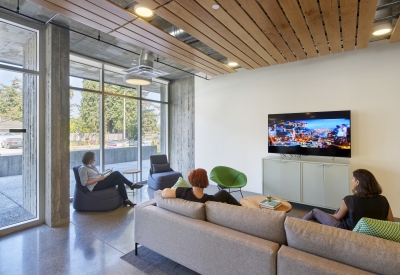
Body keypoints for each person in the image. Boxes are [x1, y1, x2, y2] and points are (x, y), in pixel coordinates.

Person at [303, 169, 394, 230]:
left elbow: (338, 217)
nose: (351, 181)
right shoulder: (383, 200)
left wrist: (326, 215)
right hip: (374, 232)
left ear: (357, 182)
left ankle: (295, 226)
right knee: (341, 211)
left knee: (315, 212)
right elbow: (391, 222)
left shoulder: (349, 200)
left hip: (349, 230)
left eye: (353, 179)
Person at [78, 151, 143, 207]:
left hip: (100, 181)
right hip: (95, 186)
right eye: (93, 159)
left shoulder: (92, 166)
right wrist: (98, 179)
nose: (94, 160)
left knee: (119, 180)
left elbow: (98, 174)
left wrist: (106, 172)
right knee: (117, 173)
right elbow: (84, 183)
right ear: (89, 159)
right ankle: (131, 185)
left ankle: (126, 200)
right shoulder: (83, 169)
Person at [162, 168, 241, 206]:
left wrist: (176, 191)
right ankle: (242, 208)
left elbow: (164, 192)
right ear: (205, 181)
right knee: (224, 194)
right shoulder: (211, 200)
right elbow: (221, 206)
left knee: (222, 193)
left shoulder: (183, 192)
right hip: (206, 200)